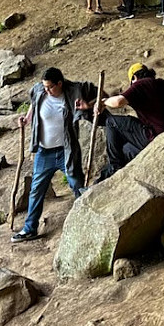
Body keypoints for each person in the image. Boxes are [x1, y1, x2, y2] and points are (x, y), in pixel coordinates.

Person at [12, 67, 97, 242]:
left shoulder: (74, 91)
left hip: (66, 149)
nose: (46, 90)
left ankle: (91, 220)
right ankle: (30, 229)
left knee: (77, 185)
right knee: (36, 190)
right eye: (45, 86)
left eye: (50, 87)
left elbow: (100, 93)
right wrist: (27, 119)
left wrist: (91, 106)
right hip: (44, 152)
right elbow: (34, 104)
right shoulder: (39, 91)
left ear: (60, 83)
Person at [97, 64, 164, 179]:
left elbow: (117, 102)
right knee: (126, 150)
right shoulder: (163, 84)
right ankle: (101, 181)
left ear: (134, 78)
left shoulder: (141, 84)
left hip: (156, 137)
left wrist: (104, 102)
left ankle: (114, 169)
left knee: (111, 122)